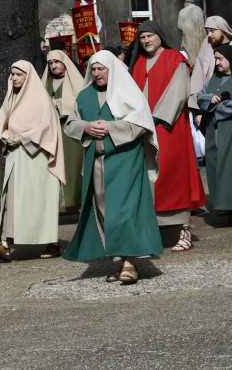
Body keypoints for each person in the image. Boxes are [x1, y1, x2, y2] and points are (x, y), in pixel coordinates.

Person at [61, 51, 163, 284]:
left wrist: (111, 128)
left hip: (126, 161)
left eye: (101, 69)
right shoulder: (85, 95)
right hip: (98, 163)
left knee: (125, 212)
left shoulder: (127, 91)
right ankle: (123, 260)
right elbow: (71, 124)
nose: (96, 74)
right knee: (105, 212)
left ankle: (129, 263)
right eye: (93, 69)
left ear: (112, 69)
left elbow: (140, 124)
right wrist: (86, 127)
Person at [127, 21, 206, 251]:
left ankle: (184, 231)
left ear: (160, 36)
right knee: (148, 177)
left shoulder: (175, 59)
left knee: (173, 173)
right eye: (142, 38)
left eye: (150, 36)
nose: (146, 41)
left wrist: (158, 117)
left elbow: (179, 91)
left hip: (168, 126)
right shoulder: (139, 62)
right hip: (143, 127)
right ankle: (150, 230)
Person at [0, 61, 64, 261]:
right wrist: (5, 138)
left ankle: (52, 243)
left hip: (37, 157)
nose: (14, 78)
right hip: (15, 156)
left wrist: (23, 138)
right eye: (12, 74)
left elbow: (47, 126)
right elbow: (3, 123)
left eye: (19, 74)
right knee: (11, 200)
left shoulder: (40, 98)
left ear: (28, 76)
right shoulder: (11, 97)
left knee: (39, 201)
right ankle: (5, 243)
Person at [42, 49, 86, 211]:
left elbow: (82, 101)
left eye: (57, 62)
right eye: (50, 63)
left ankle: (74, 201)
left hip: (69, 129)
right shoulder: (45, 82)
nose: (54, 66)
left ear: (64, 63)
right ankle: (57, 204)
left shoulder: (75, 80)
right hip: (50, 130)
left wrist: (60, 104)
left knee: (72, 163)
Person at [197, 43, 232, 220]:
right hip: (213, 132)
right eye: (216, 58)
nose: (217, 62)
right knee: (215, 166)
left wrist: (219, 106)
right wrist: (210, 99)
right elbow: (200, 96)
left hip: (229, 132)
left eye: (220, 59)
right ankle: (221, 204)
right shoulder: (214, 79)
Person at [189, 16, 232, 126]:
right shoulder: (207, 47)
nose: (209, 35)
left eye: (212, 31)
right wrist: (197, 112)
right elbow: (197, 79)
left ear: (223, 29)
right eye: (207, 32)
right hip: (208, 107)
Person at [177, 0, 206, 66]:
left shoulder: (182, 11)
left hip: (187, 40)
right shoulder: (197, 9)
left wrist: (186, 27)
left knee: (188, 61)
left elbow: (179, 26)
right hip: (198, 40)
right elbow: (201, 27)